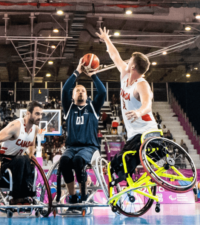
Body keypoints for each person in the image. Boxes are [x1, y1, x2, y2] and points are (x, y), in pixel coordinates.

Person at [96, 27, 158, 187]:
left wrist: (138, 112)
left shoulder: (142, 84)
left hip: (146, 133)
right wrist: (106, 39)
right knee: (117, 165)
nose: (126, 62)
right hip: (133, 135)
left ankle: (129, 188)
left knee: (120, 163)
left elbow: (147, 105)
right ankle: (128, 188)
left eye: (129, 61)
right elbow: (114, 55)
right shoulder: (125, 74)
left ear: (133, 67)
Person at [59, 53, 106, 212]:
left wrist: (93, 75)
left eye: (83, 91)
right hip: (71, 147)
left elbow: (103, 92)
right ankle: (73, 197)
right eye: (77, 90)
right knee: (64, 162)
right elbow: (65, 90)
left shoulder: (93, 107)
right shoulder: (69, 108)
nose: (80, 92)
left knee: (78, 161)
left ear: (87, 95)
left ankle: (84, 196)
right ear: (73, 96)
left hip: (89, 147)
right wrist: (77, 71)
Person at [0, 102, 42, 204]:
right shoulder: (16, 126)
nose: (40, 117)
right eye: (37, 114)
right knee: (22, 159)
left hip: (18, 161)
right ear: (28, 113)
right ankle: (16, 197)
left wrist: (31, 153)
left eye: (41, 114)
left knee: (27, 161)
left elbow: (32, 143)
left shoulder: (35, 129)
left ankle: (27, 195)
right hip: (4, 160)